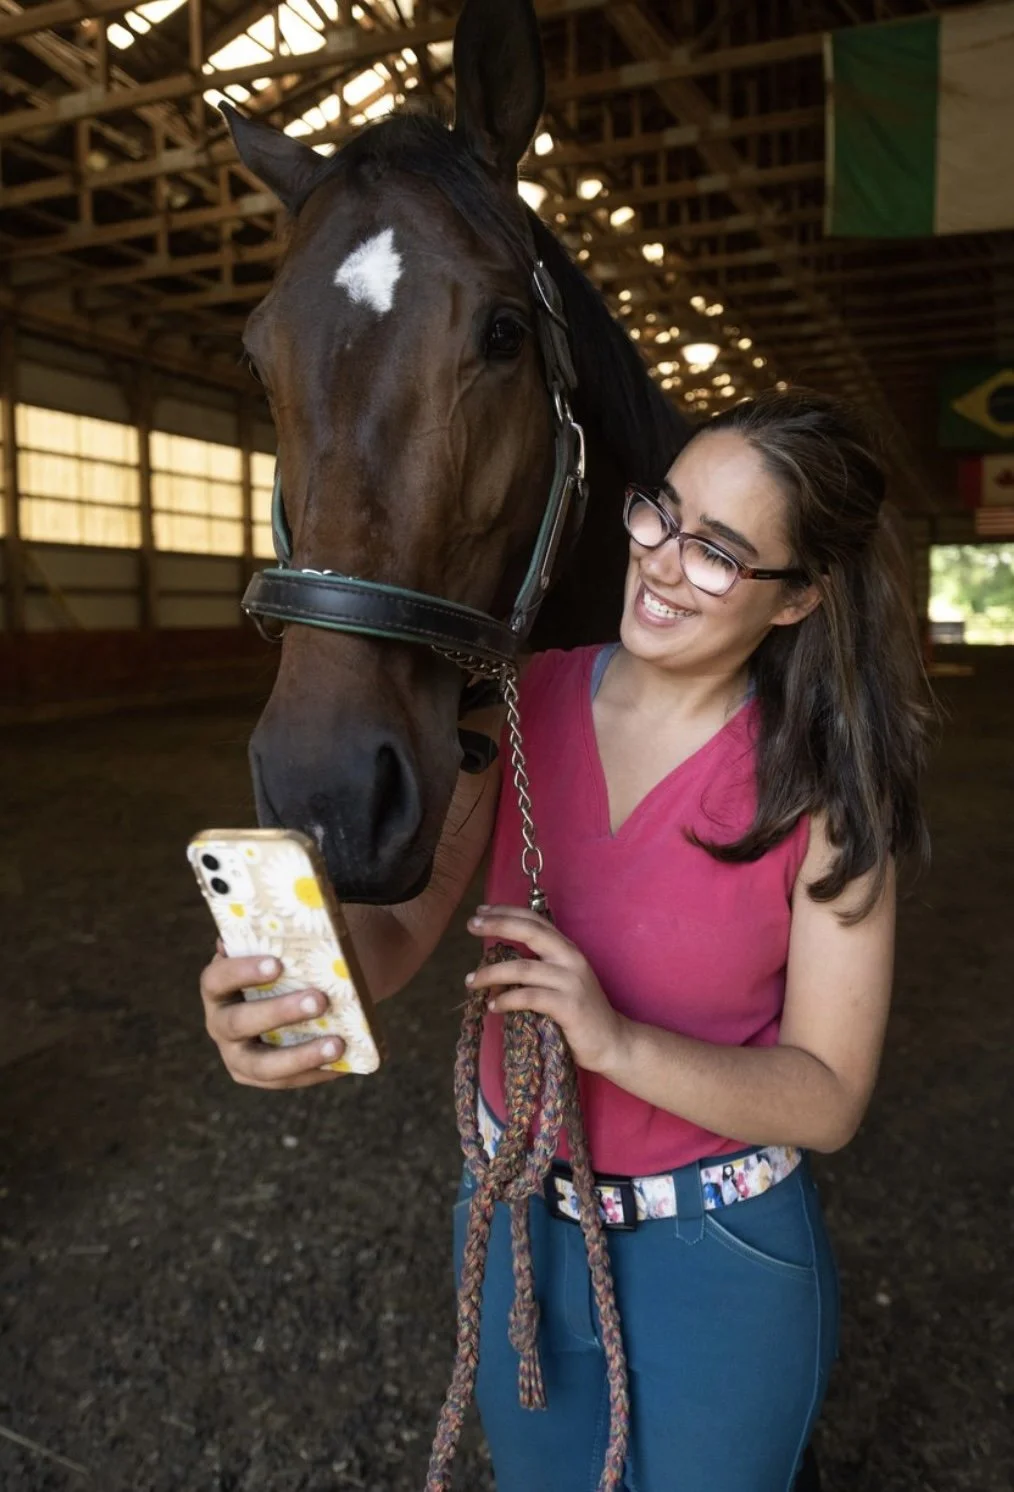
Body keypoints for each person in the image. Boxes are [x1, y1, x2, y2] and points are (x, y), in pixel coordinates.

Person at [200, 389, 932, 1491]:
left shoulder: (828, 789)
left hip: (720, 1253)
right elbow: (398, 928)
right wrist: (291, 983)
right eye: (660, 515)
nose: (664, 562)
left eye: (721, 554)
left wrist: (614, 1040)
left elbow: (827, 1094)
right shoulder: (517, 705)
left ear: (799, 601)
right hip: (515, 1224)